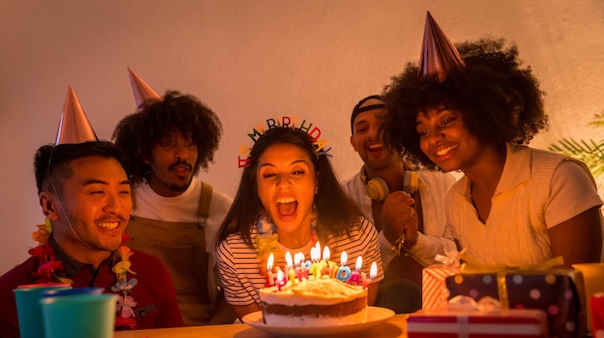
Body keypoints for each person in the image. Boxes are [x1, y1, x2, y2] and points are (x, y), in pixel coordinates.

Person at [382, 33, 603, 268]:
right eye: (423, 131)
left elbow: (575, 288)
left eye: (446, 121)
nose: (434, 138)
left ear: (482, 113)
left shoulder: (559, 178)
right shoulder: (455, 201)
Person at [0, 140, 184, 338]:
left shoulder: (151, 272)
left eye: (123, 192)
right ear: (50, 206)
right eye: (97, 192)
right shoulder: (5, 301)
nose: (116, 208)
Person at [216, 124, 384, 321]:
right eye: (270, 175)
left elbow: (358, 317)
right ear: (255, 186)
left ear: (316, 181)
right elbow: (259, 329)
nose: (283, 183)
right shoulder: (235, 255)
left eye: (297, 172)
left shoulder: (358, 238)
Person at [113, 90, 236, 325]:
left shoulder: (220, 209)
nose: (182, 155)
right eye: (168, 144)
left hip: (198, 333)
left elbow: (235, 289)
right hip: (134, 334)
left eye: (190, 144)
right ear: (145, 154)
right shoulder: (123, 202)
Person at [342, 95, 456, 312]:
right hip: (374, 316)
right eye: (362, 129)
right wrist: (387, 239)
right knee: (399, 292)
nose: (373, 134)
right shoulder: (343, 197)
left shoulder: (443, 183)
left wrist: (415, 242)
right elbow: (345, 276)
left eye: (383, 125)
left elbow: (458, 257)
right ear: (353, 143)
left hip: (443, 309)